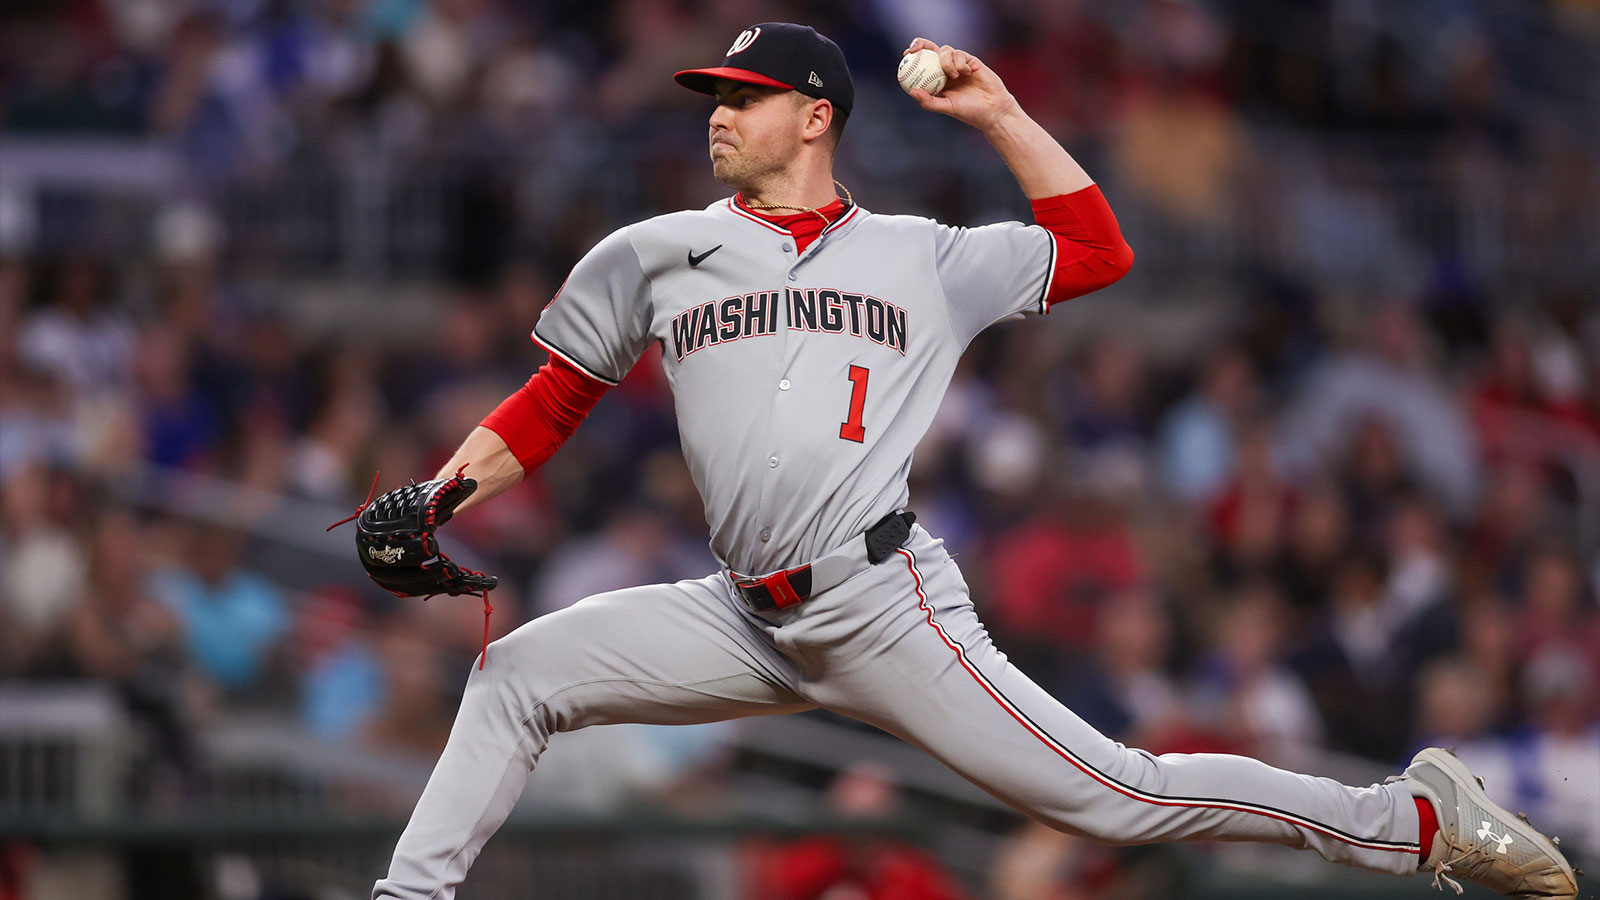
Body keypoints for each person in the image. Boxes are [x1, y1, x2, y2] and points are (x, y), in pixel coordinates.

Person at [368, 23, 1578, 900]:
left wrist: (998, 113)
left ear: (816, 115)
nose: (717, 113)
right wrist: (440, 495)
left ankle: (1416, 819)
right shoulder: (654, 252)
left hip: (883, 605)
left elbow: (1095, 250)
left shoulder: (922, 255)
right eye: (712, 95)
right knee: (516, 676)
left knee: (1122, 796)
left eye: (744, 95)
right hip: (739, 614)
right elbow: (553, 398)